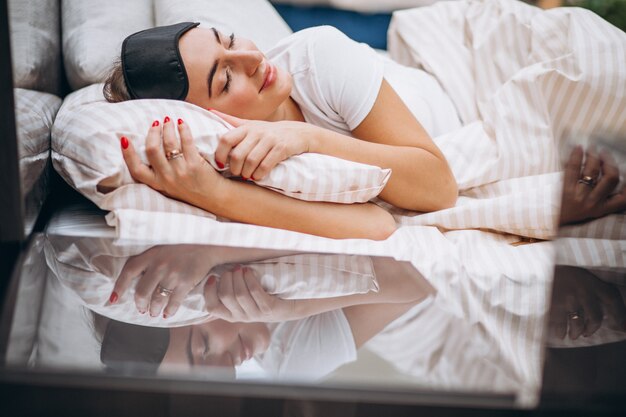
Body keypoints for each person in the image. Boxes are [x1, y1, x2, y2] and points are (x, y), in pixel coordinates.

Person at [103, 22, 461, 240]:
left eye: (228, 40)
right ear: (205, 119)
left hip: (453, 95)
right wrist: (215, 193)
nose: (253, 59)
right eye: (226, 80)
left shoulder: (320, 56)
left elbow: (440, 188)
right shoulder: (227, 150)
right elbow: (378, 225)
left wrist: (307, 137)